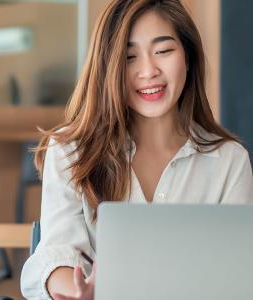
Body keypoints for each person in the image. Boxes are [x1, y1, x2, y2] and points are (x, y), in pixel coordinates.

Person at [21, 0, 253, 299]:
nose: (148, 70)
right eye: (129, 57)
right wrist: (78, 292)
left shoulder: (229, 162)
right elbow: (59, 254)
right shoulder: (71, 151)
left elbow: (237, 272)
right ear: (109, 67)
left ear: (189, 57)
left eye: (163, 51)